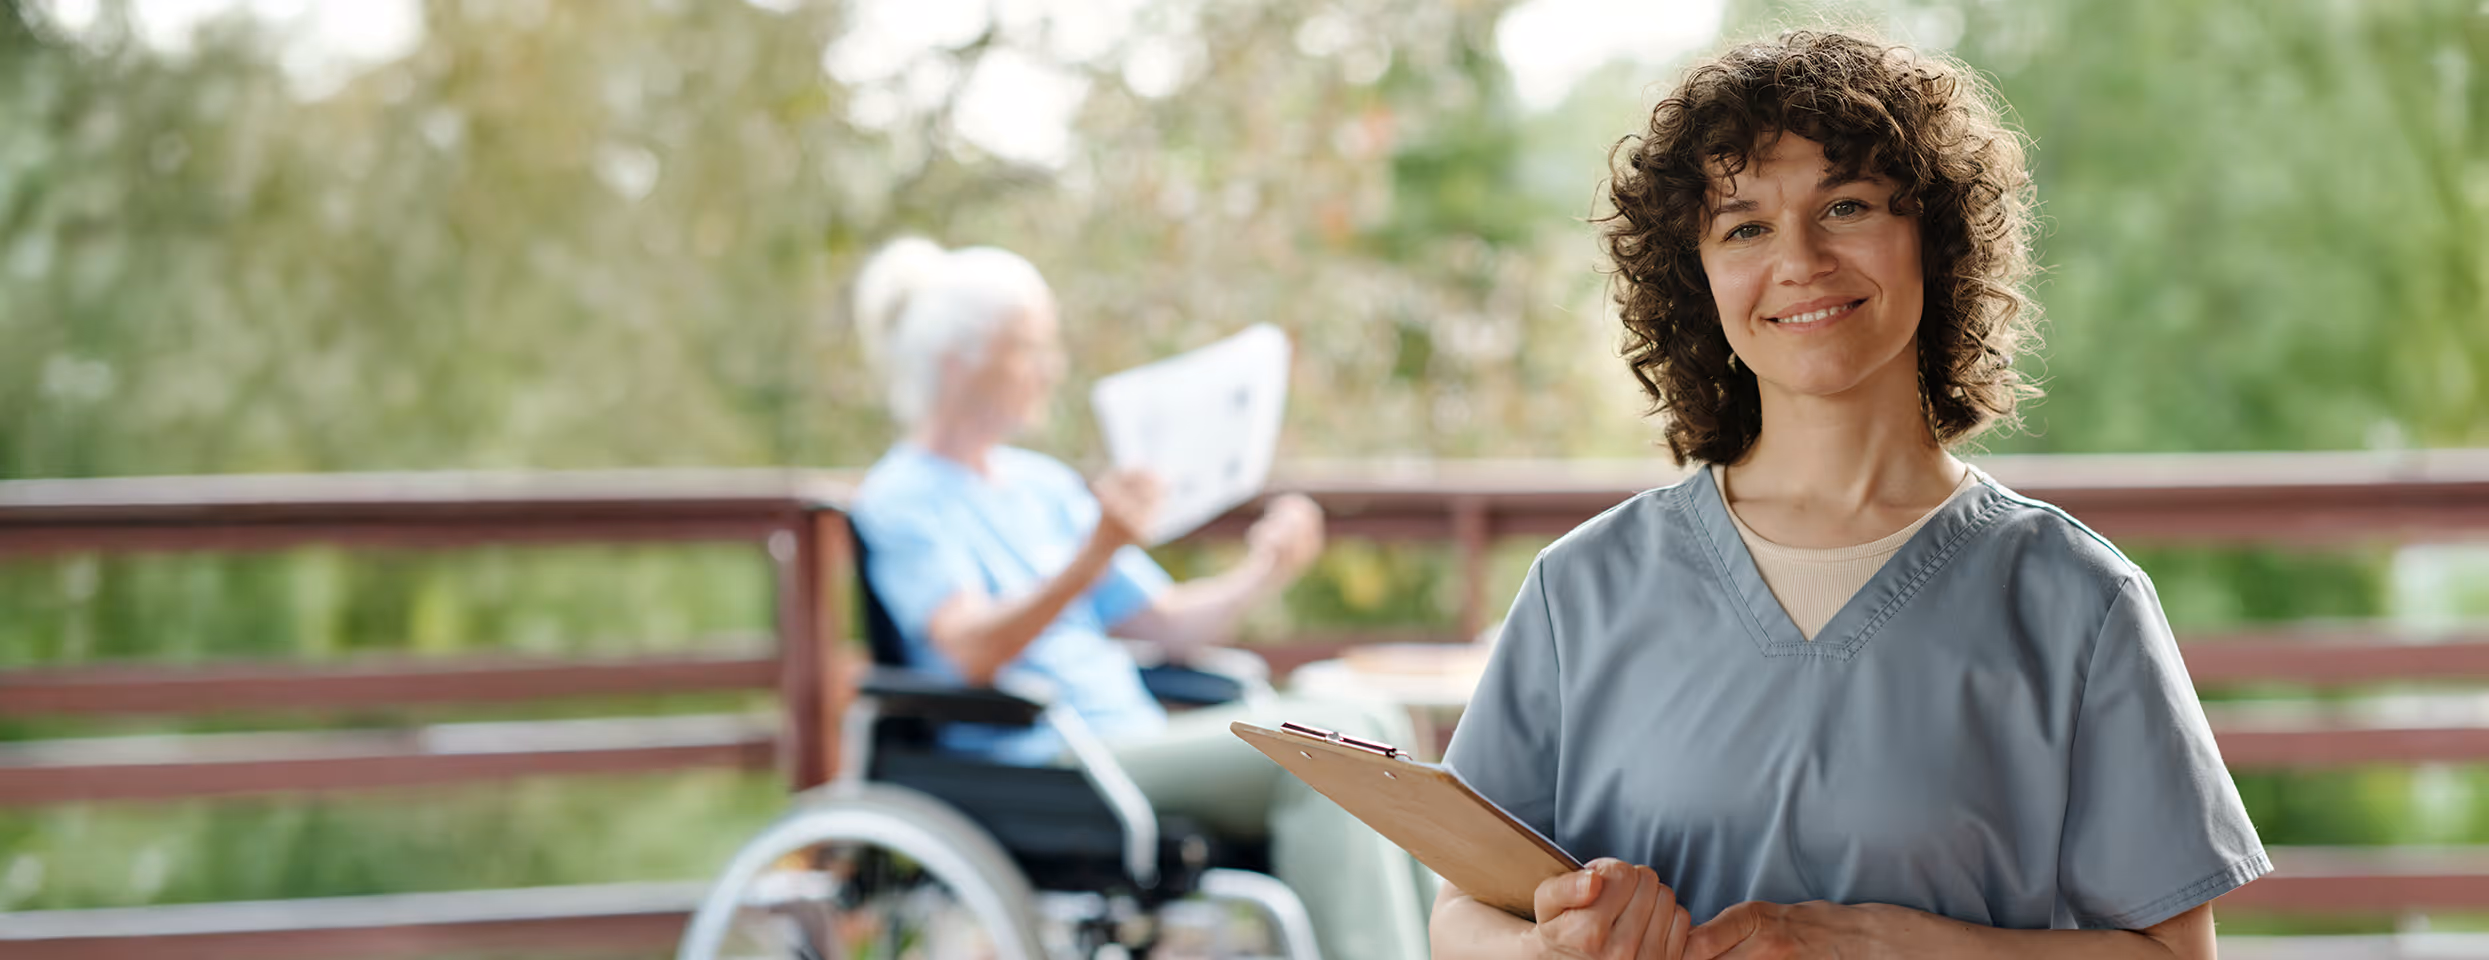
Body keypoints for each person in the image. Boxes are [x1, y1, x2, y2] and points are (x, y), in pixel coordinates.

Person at [1430, 31, 2268, 960]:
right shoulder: (1579, 589)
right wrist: (1548, 949)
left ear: (1933, 239)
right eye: (1743, 225)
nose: (1799, 259)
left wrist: (1888, 944)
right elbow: (1458, 914)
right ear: (1696, 278)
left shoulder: (2076, 600)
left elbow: (2172, 952)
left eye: (1848, 206)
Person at [844, 237, 1434, 960]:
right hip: (1048, 763)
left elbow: (1168, 626)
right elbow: (968, 651)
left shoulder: (1042, 486)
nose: (1050, 369)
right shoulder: (902, 497)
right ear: (958, 361)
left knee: (1375, 723)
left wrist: (1265, 566)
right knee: (1329, 759)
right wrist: (1092, 553)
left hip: (1130, 739)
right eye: (1030, 348)